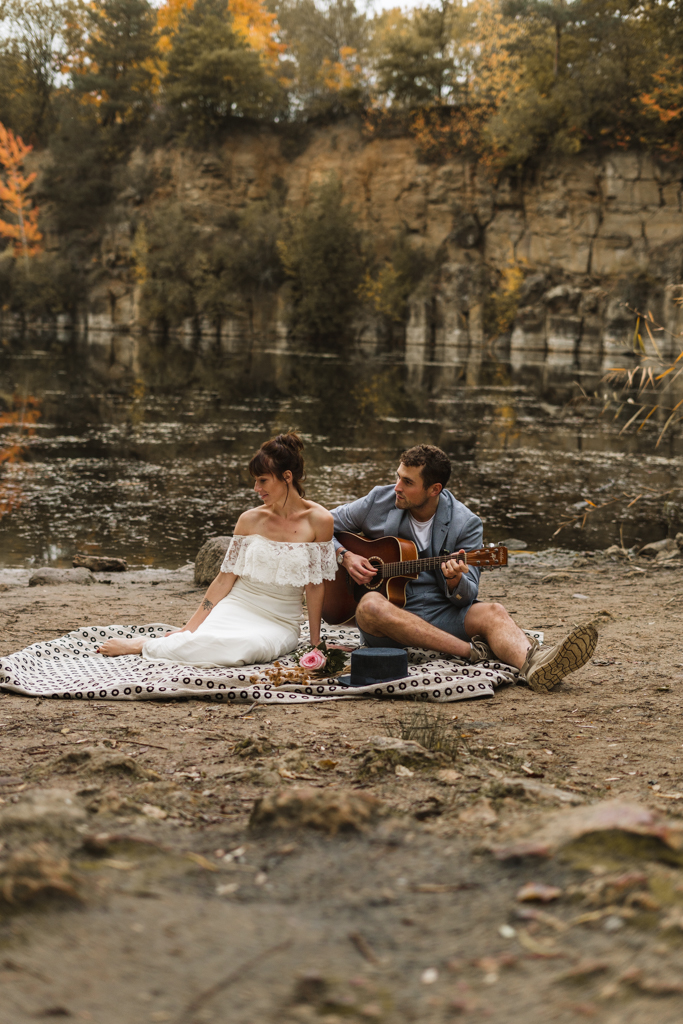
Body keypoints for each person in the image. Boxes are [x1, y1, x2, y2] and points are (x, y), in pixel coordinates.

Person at [331, 444, 598, 693]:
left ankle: (535, 666)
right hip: (389, 621)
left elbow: (467, 596)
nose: (397, 487)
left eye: (407, 482)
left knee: (494, 612)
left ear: (434, 489)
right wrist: (345, 555)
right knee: (369, 606)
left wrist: (455, 582)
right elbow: (319, 523)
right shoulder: (380, 500)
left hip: (441, 612)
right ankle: (472, 652)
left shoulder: (465, 523)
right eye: (398, 477)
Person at [97, 432, 336, 666]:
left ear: (286, 476)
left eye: (262, 480)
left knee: (246, 648)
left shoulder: (320, 521)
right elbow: (224, 579)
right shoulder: (249, 520)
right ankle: (145, 645)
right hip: (238, 605)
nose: (256, 488)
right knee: (205, 641)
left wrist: (316, 644)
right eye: (255, 480)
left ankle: (147, 646)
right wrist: (188, 628)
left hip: (280, 620)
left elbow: (315, 586)